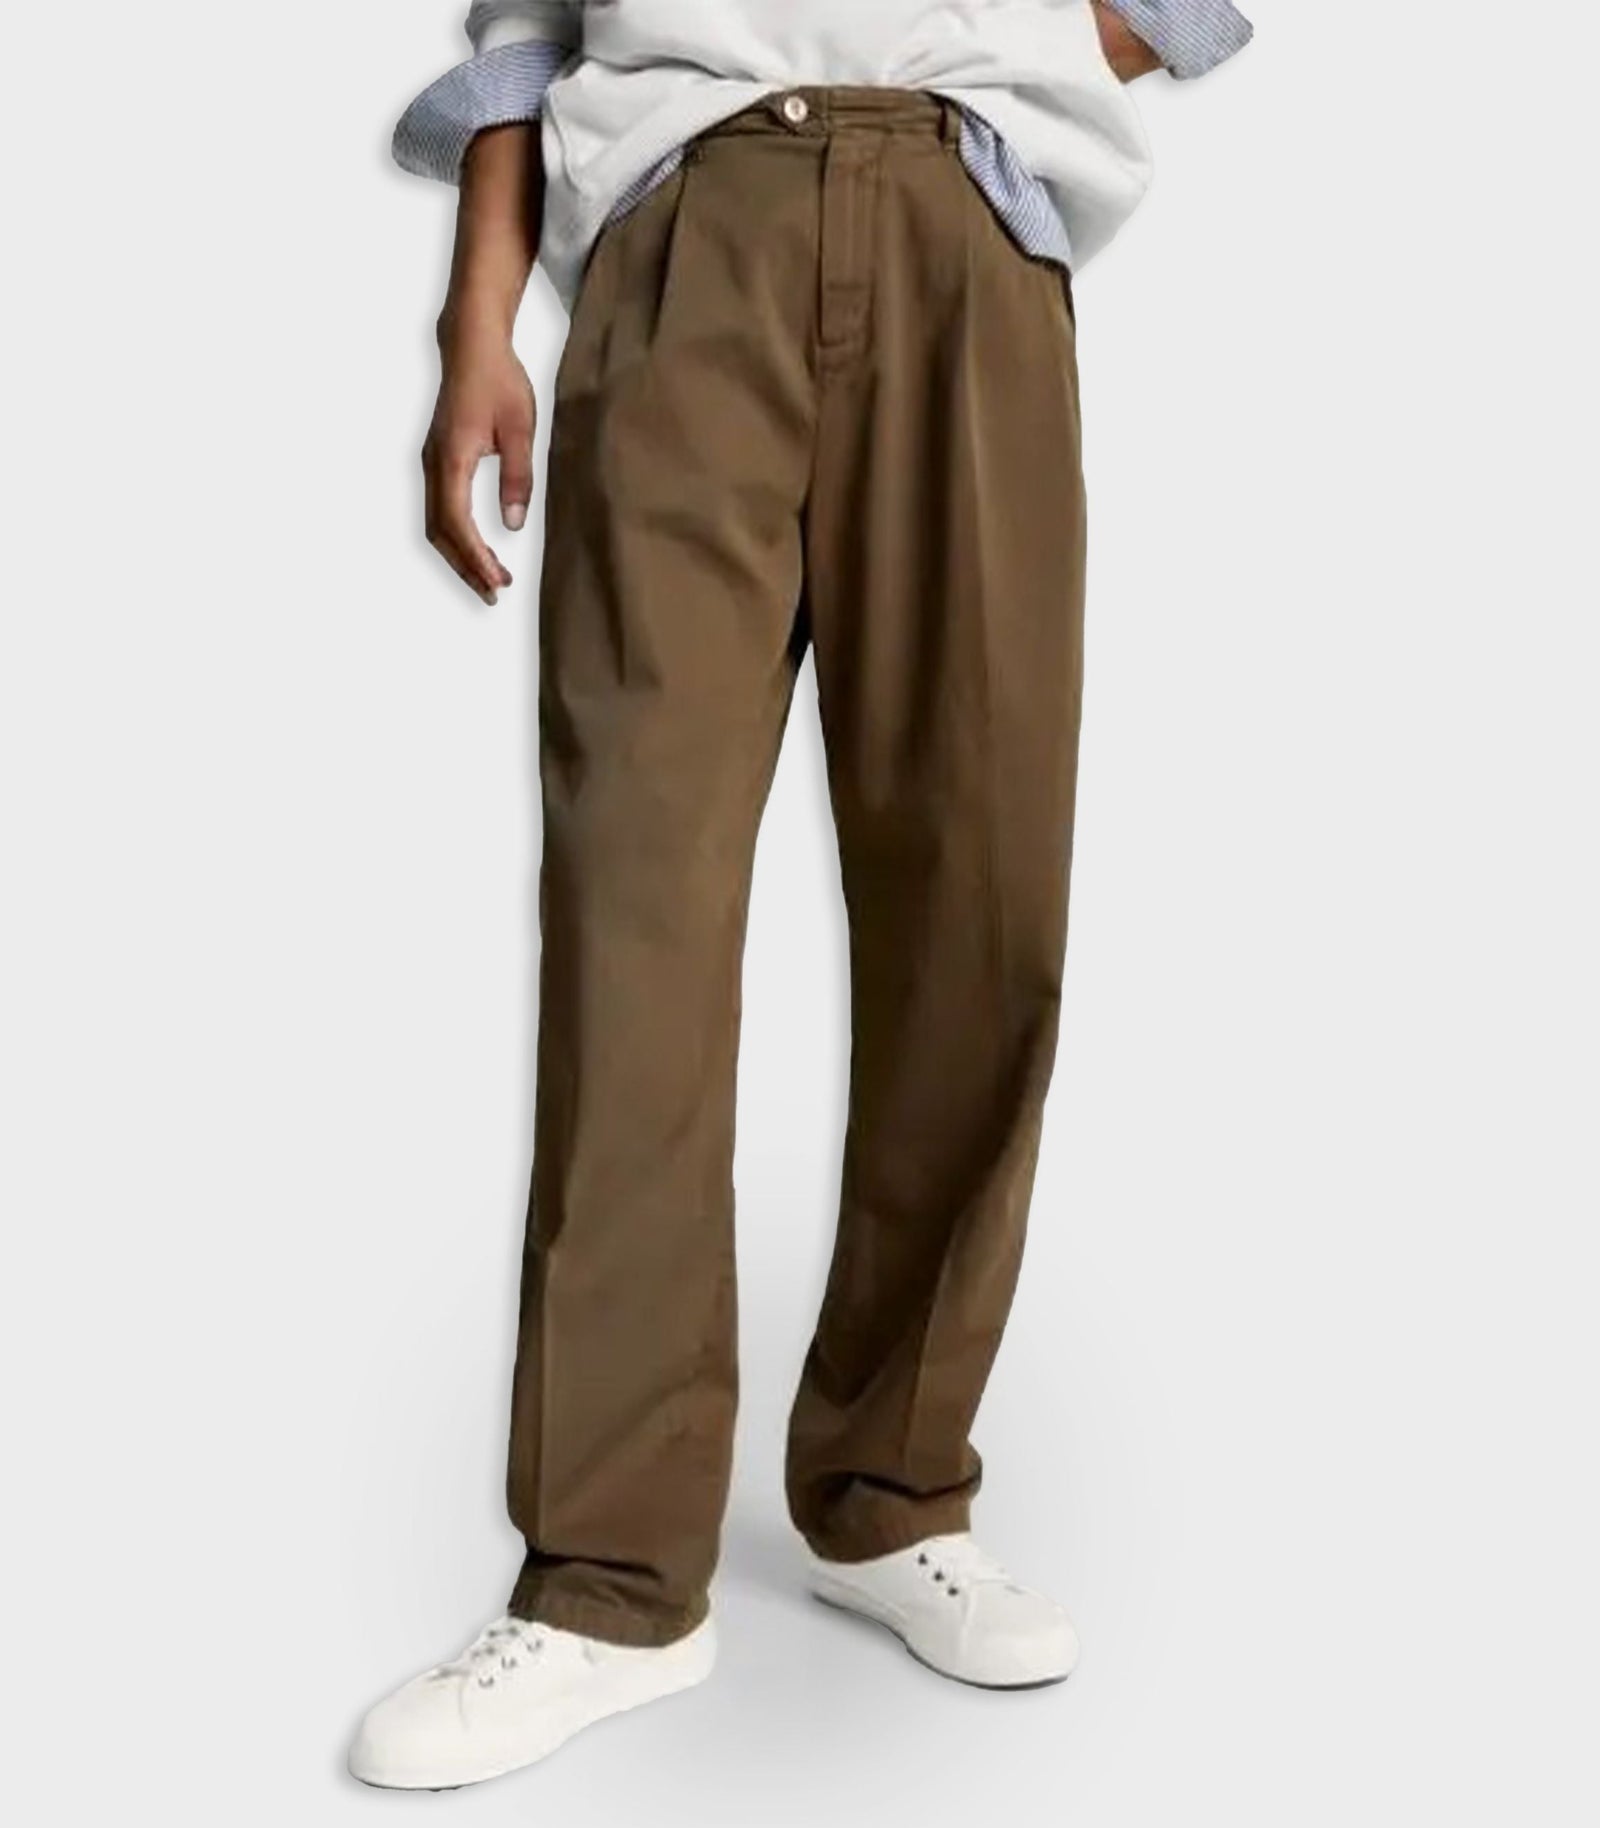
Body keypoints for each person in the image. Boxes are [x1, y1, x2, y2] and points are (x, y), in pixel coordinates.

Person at [349, 0, 1252, 1791]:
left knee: (981, 902)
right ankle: (609, 1580)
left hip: (968, 239)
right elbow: (528, 24)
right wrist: (476, 325)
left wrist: (1003, 49)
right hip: (692, 242)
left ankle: (893, 1485)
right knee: (634, 917)